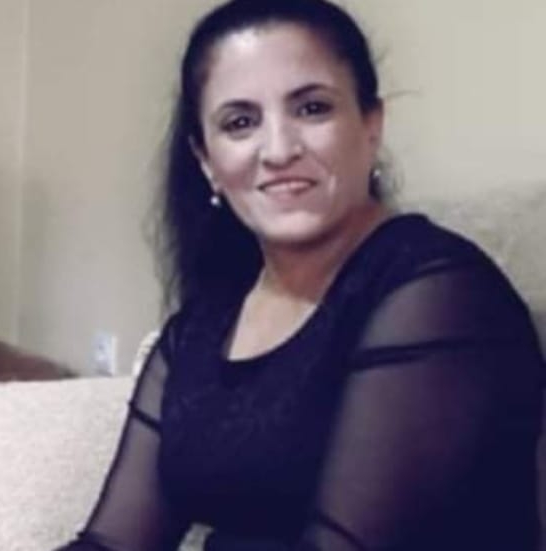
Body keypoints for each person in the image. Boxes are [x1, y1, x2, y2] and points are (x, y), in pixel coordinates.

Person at [56, 0, 544, 549]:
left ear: (371, 124)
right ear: (206, 160)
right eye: (240, 122)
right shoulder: (198, 331)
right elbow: (113, 542)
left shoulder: (439, 293)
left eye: (312, 109)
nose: (279, 150)